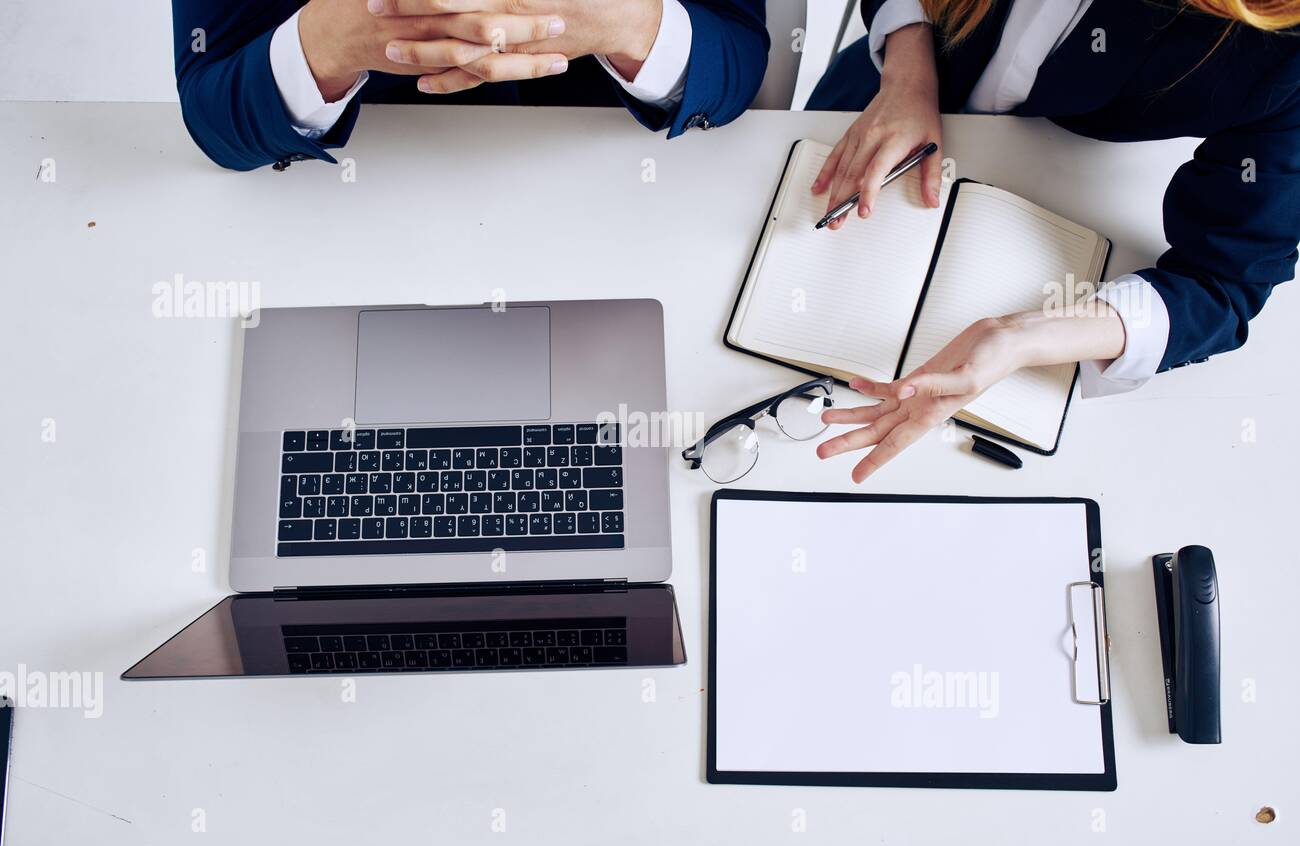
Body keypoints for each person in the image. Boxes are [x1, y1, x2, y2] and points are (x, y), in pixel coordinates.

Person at [806, 0, 1300, 481]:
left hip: (1045, 168)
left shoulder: (1284, 54)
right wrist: (907, 79)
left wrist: (1023, 337)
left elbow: (1223, 284)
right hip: (882, 86)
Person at [171, 0, 768, 170]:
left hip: (610, 189)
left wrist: (630, 23)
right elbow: (215, 113)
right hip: (348, 207)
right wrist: (327, 43)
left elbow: (735, 56)